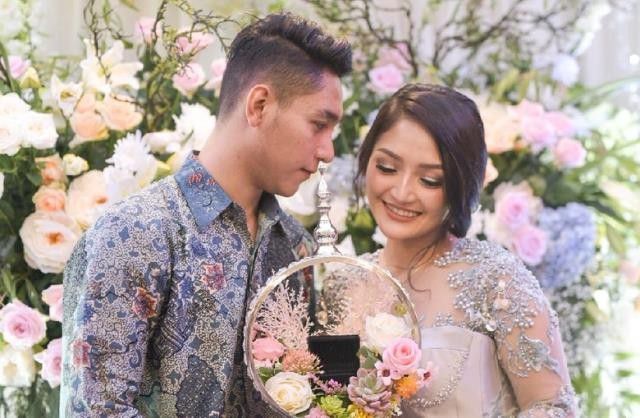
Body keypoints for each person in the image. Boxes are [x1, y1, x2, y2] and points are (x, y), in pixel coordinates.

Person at [61, 13, 351, 417]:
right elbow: (98, 410)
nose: (327, 152)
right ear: (259, 105)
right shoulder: (135, 233)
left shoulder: (296, 248)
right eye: (319, 124)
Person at [353, 83, 577, 417]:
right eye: (387, 167)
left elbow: (554, 407)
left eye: (430, 180)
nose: (401, 192)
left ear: (462, 184)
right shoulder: (344, 280)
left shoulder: (498, 282)